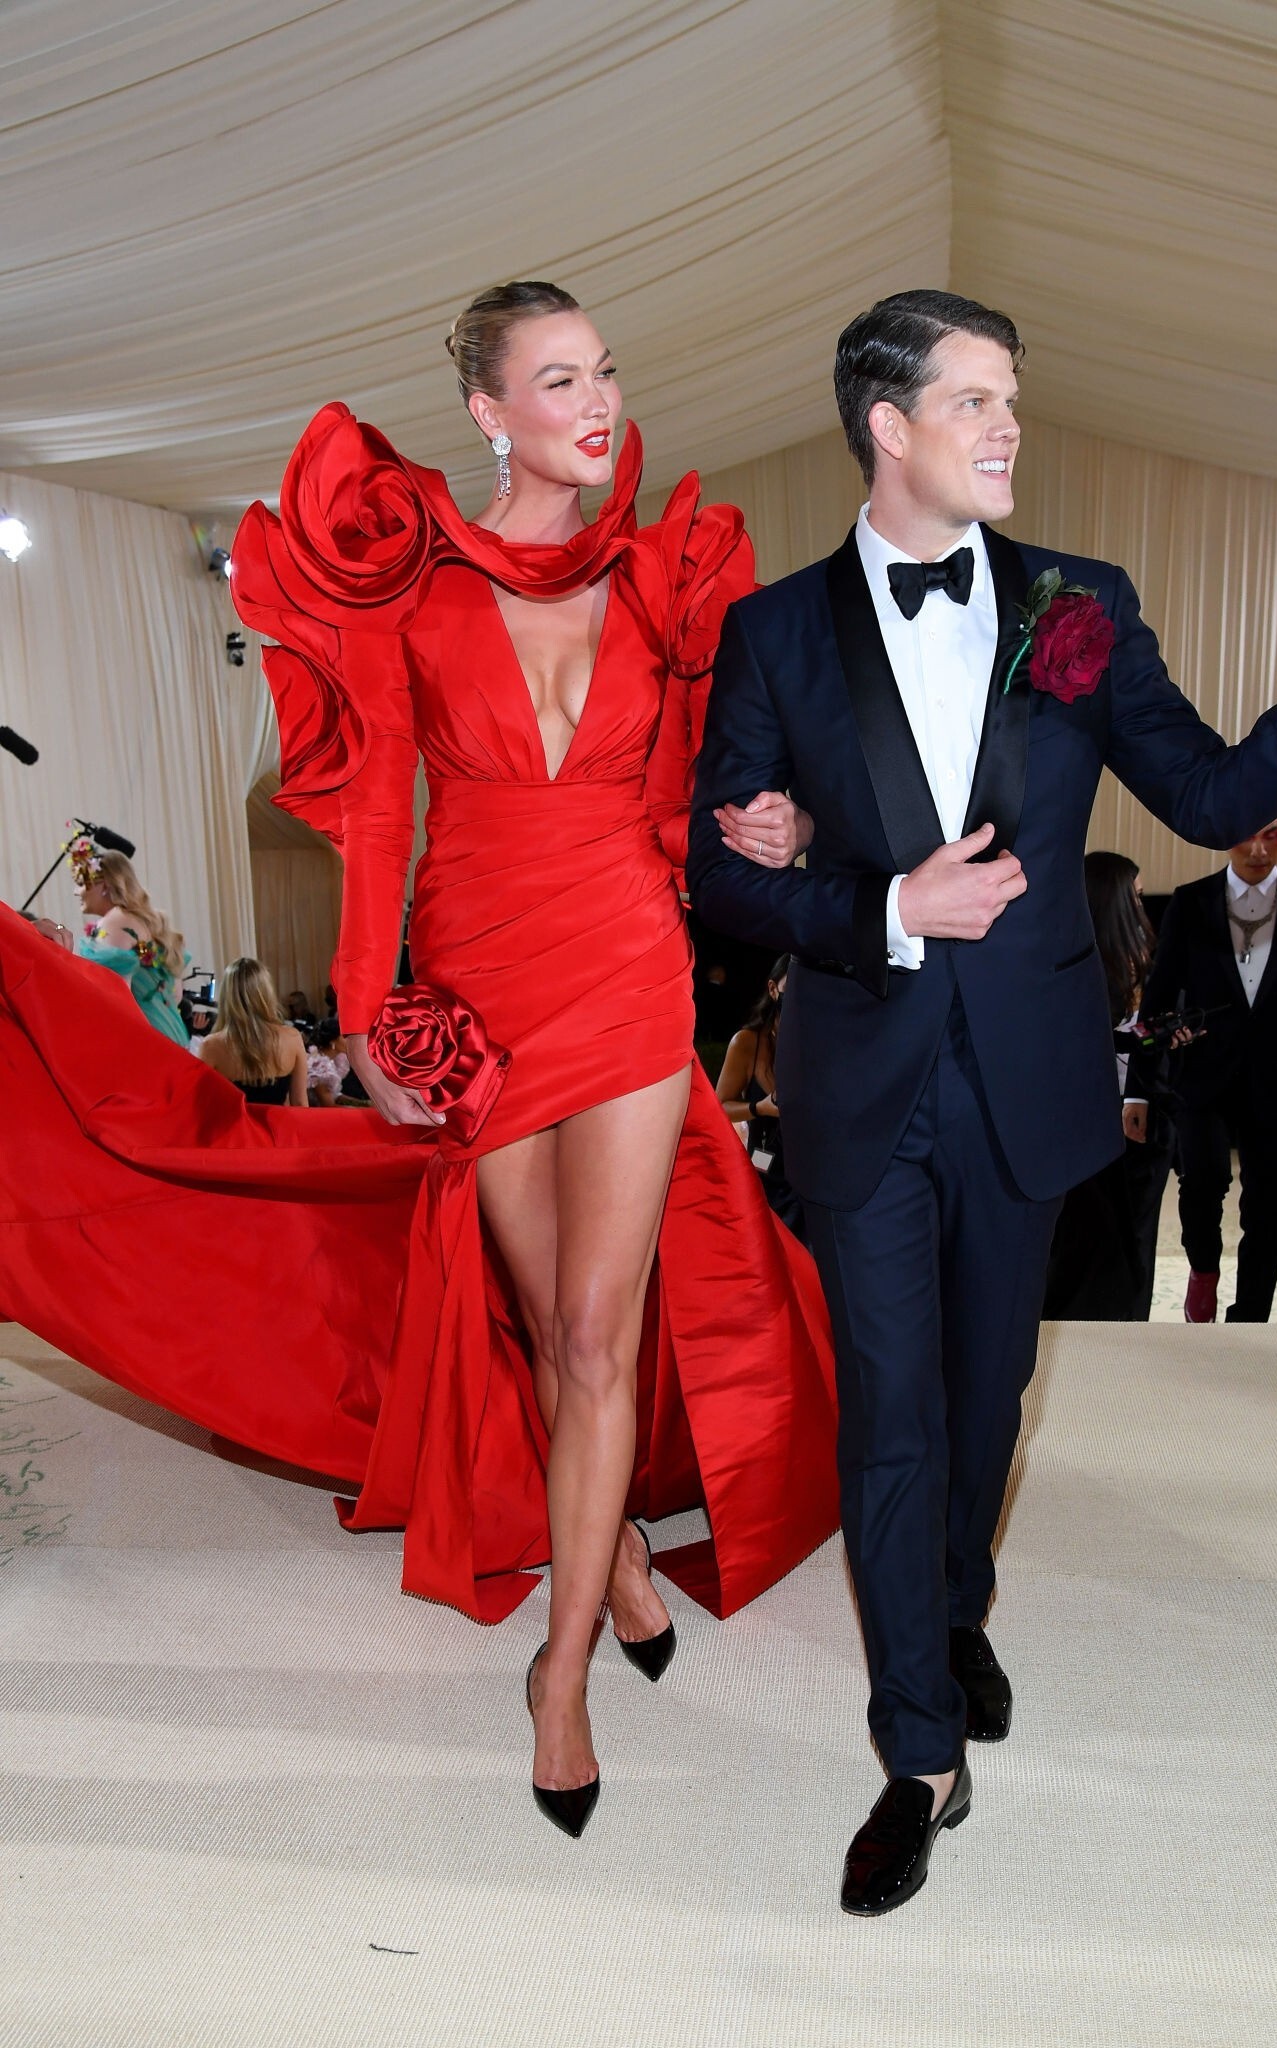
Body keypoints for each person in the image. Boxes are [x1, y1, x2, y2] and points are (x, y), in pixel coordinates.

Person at [0, 281, 841, 1846]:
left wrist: (767, 826)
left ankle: (559, 1675)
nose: (596, 404)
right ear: (486, 411)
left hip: (628, 972)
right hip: (483, 981)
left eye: (605, 373)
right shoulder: (417, 589)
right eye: (558, 380)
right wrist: (370, 1011)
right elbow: (382, 815)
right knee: (537, 1322)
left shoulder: (657, 585)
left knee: (593, 1331)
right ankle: (619, 1556)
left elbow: (691, 807)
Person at [688, 288, 1277, 1915]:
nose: (1007, 425)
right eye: (973, 399)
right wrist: (885, 904)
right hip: (861, 1080)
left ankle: (954, 1608)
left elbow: (1210, 790)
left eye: (1010, 397)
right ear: (887, 425)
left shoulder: (1075, 605)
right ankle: (916, 1749)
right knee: (890, 1412)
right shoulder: (772, 633)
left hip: (1025, 1081)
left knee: (985, 1402)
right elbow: (720, 874)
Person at [1145, 815, 1277, 1322]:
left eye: (1271, 835)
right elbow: (1159, 996)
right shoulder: (1190, 901)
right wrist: (1152, 1064)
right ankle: (1203, 1270)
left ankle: (1252, 1317)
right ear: (1225, 837)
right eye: (1246, 835)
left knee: (1270, 1203)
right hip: (1202, 1073)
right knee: (1202, 1181)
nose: (1258, 849)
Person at [1041, 853, 1177, 1321]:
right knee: (1092, 1243)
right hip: (1089, 1125)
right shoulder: (1068, 963)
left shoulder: (1145, 961)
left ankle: (1124, 1331)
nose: (1141, 905)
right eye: (1135, 896)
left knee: (1131, 1241)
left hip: (1137, 1117)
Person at [38, 838, 190, 1046]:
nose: (76, 891)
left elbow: (112, 997)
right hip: (172, 1034)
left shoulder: (116, 921)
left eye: (81, 883)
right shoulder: (149, 924)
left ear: (104, 885)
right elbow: (176, 995)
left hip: (144, 1044)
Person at [715, 955, 806, 1239]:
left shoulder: (820, 1044)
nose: (801, 996)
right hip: (765, 1177)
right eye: (794, 986)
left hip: (810, 1179)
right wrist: (760, 1108)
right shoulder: (747, 1043)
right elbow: (719, 1108)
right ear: (773, 989)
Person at [197, 958, 310, 1106]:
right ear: (266, 993)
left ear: (226, 996)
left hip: (234, 1122)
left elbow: (201, 1106)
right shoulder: (292, 1038)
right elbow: (300, 1103)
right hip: (276, 1122)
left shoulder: (211, 1046)